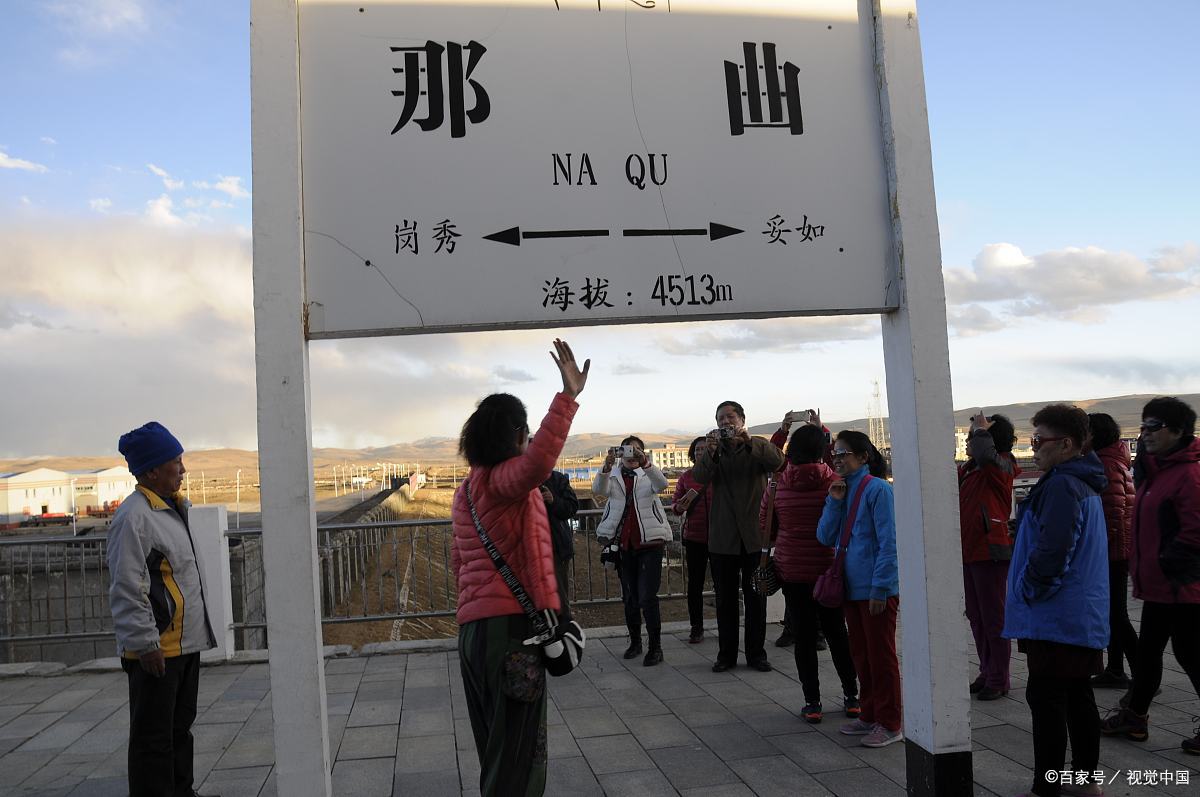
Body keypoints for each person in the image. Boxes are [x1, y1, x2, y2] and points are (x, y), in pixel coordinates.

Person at [452, 339, 589, 797]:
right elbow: (537, 465)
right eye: (525, 433)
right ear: (515, 436)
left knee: (495, 746)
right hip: (511, 634)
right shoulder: (506, 480)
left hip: (473, 633)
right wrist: (567, 398)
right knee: (519, 756)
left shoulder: (468, 489)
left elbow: (458, 562)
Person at [1002, 404, 1109, 797]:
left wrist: (1030, 589)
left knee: (1047, 701)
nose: (1033, 449)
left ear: (1066, 444)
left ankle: (1047, 786)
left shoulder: (1064, 484)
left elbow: (1054, 551)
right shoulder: (1082, 480)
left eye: (1038, 441)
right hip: (1077, 614)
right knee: (1077, 695)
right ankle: (1084, 782)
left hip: (1057, 615)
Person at [108, 421, 217, 797]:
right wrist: (145, 643)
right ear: (152, 470)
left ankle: (181, 792)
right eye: (175, 462)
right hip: (157, 649)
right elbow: (127, 585)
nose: (183, 469)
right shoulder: (134, 517)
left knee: (178, 729)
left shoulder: (172, 508)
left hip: (183, 645)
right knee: (152, 739)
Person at [1101, 397, 1200, 756]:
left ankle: (1135, 714)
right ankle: (1135, 716)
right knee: (1148, 653)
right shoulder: (1157, 472)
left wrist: (1168, 563)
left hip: (1181, 586)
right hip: (1161, 586)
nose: (1144, 434)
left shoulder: (1188, 475)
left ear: (1177, 431)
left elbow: (1195, 531)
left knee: (1189, 654)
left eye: (1152, 427)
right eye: (1142, 427)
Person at [765, 422, 860, 723]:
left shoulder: (777, 485)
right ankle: (851, 696)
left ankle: (812, 702)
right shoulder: (836, 481)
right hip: (828, 569)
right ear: (824, 450)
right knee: (836, 633)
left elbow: (764, 527)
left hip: (791, 570)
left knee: (804, 638)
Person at [816, 430, 902, 748]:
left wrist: (881, 587)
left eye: (843, 454)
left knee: (881, 656)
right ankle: (869, 714)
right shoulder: (840, 489)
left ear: (863, 457)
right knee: (862, 655)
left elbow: (888, 541)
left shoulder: (877, 490)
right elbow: (825, 536)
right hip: (850, 586)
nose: (837, 459)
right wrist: (834, 503)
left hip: (874, 588)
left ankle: (891, 722)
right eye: (834, 454)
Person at [692, 401, 785, 672]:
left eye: (730, 417)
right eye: (720, 418)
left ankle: (756, 654)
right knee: (725, 600)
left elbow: (778, 461)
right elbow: (699, 476)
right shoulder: (714, 451)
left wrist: (751, 441)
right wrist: (709, 452)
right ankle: (726, 655)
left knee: (756, 598)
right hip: (723, 539)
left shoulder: (755, 446)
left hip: (754, 537)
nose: (725, 422)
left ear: (742, 419)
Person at [958, 411, 1020, 701]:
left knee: (994, 617)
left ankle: (999, 676)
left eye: (974, 437)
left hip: (990, 549)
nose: (970, 441)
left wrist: (981, 431)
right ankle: (987, 669)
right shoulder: (971, 470)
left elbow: (986, 455)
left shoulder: (1002, 465)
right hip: (970, 550)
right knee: (976, 615)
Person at [595, 436, 671, 665]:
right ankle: (635, 642)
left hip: (650, 542)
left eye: (635, 450)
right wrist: (606, 468)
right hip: (623, 545)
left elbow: (663, 485)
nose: (630, 455)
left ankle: (655, 647)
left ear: (641, 452)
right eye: (626, 450)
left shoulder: (649, 474)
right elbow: (599, 490)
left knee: (648, 597)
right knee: (629, 597)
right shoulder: (615, 475)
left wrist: (646, 464)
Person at [1085, 413, 1138, 690]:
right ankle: (1116, 669)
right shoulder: (1112, 460)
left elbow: (1112, 513)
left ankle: (1144, 674)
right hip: (1116, 550)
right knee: (1113, 613)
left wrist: (1097, 552)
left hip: (1111, 552)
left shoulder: (1105, 464)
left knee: (1116, 614)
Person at [672, 436, 714, 644]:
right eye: (697, 449)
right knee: (695, 585)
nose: (700, 452)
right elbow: (675, 506)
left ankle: (725, 624)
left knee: (723, 585)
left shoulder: (719, 474)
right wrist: (679, 506)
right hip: (695, 537)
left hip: (720, 537)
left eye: (705, 449)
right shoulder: (686, 477)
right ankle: (696, 626)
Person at [540, 468, 580, 599]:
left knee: (559, 596)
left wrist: (553, 501)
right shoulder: (520, 480)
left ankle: (563, 618)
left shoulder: (558, 479)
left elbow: (572, 507)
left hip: (556, 548)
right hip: (529, 549)